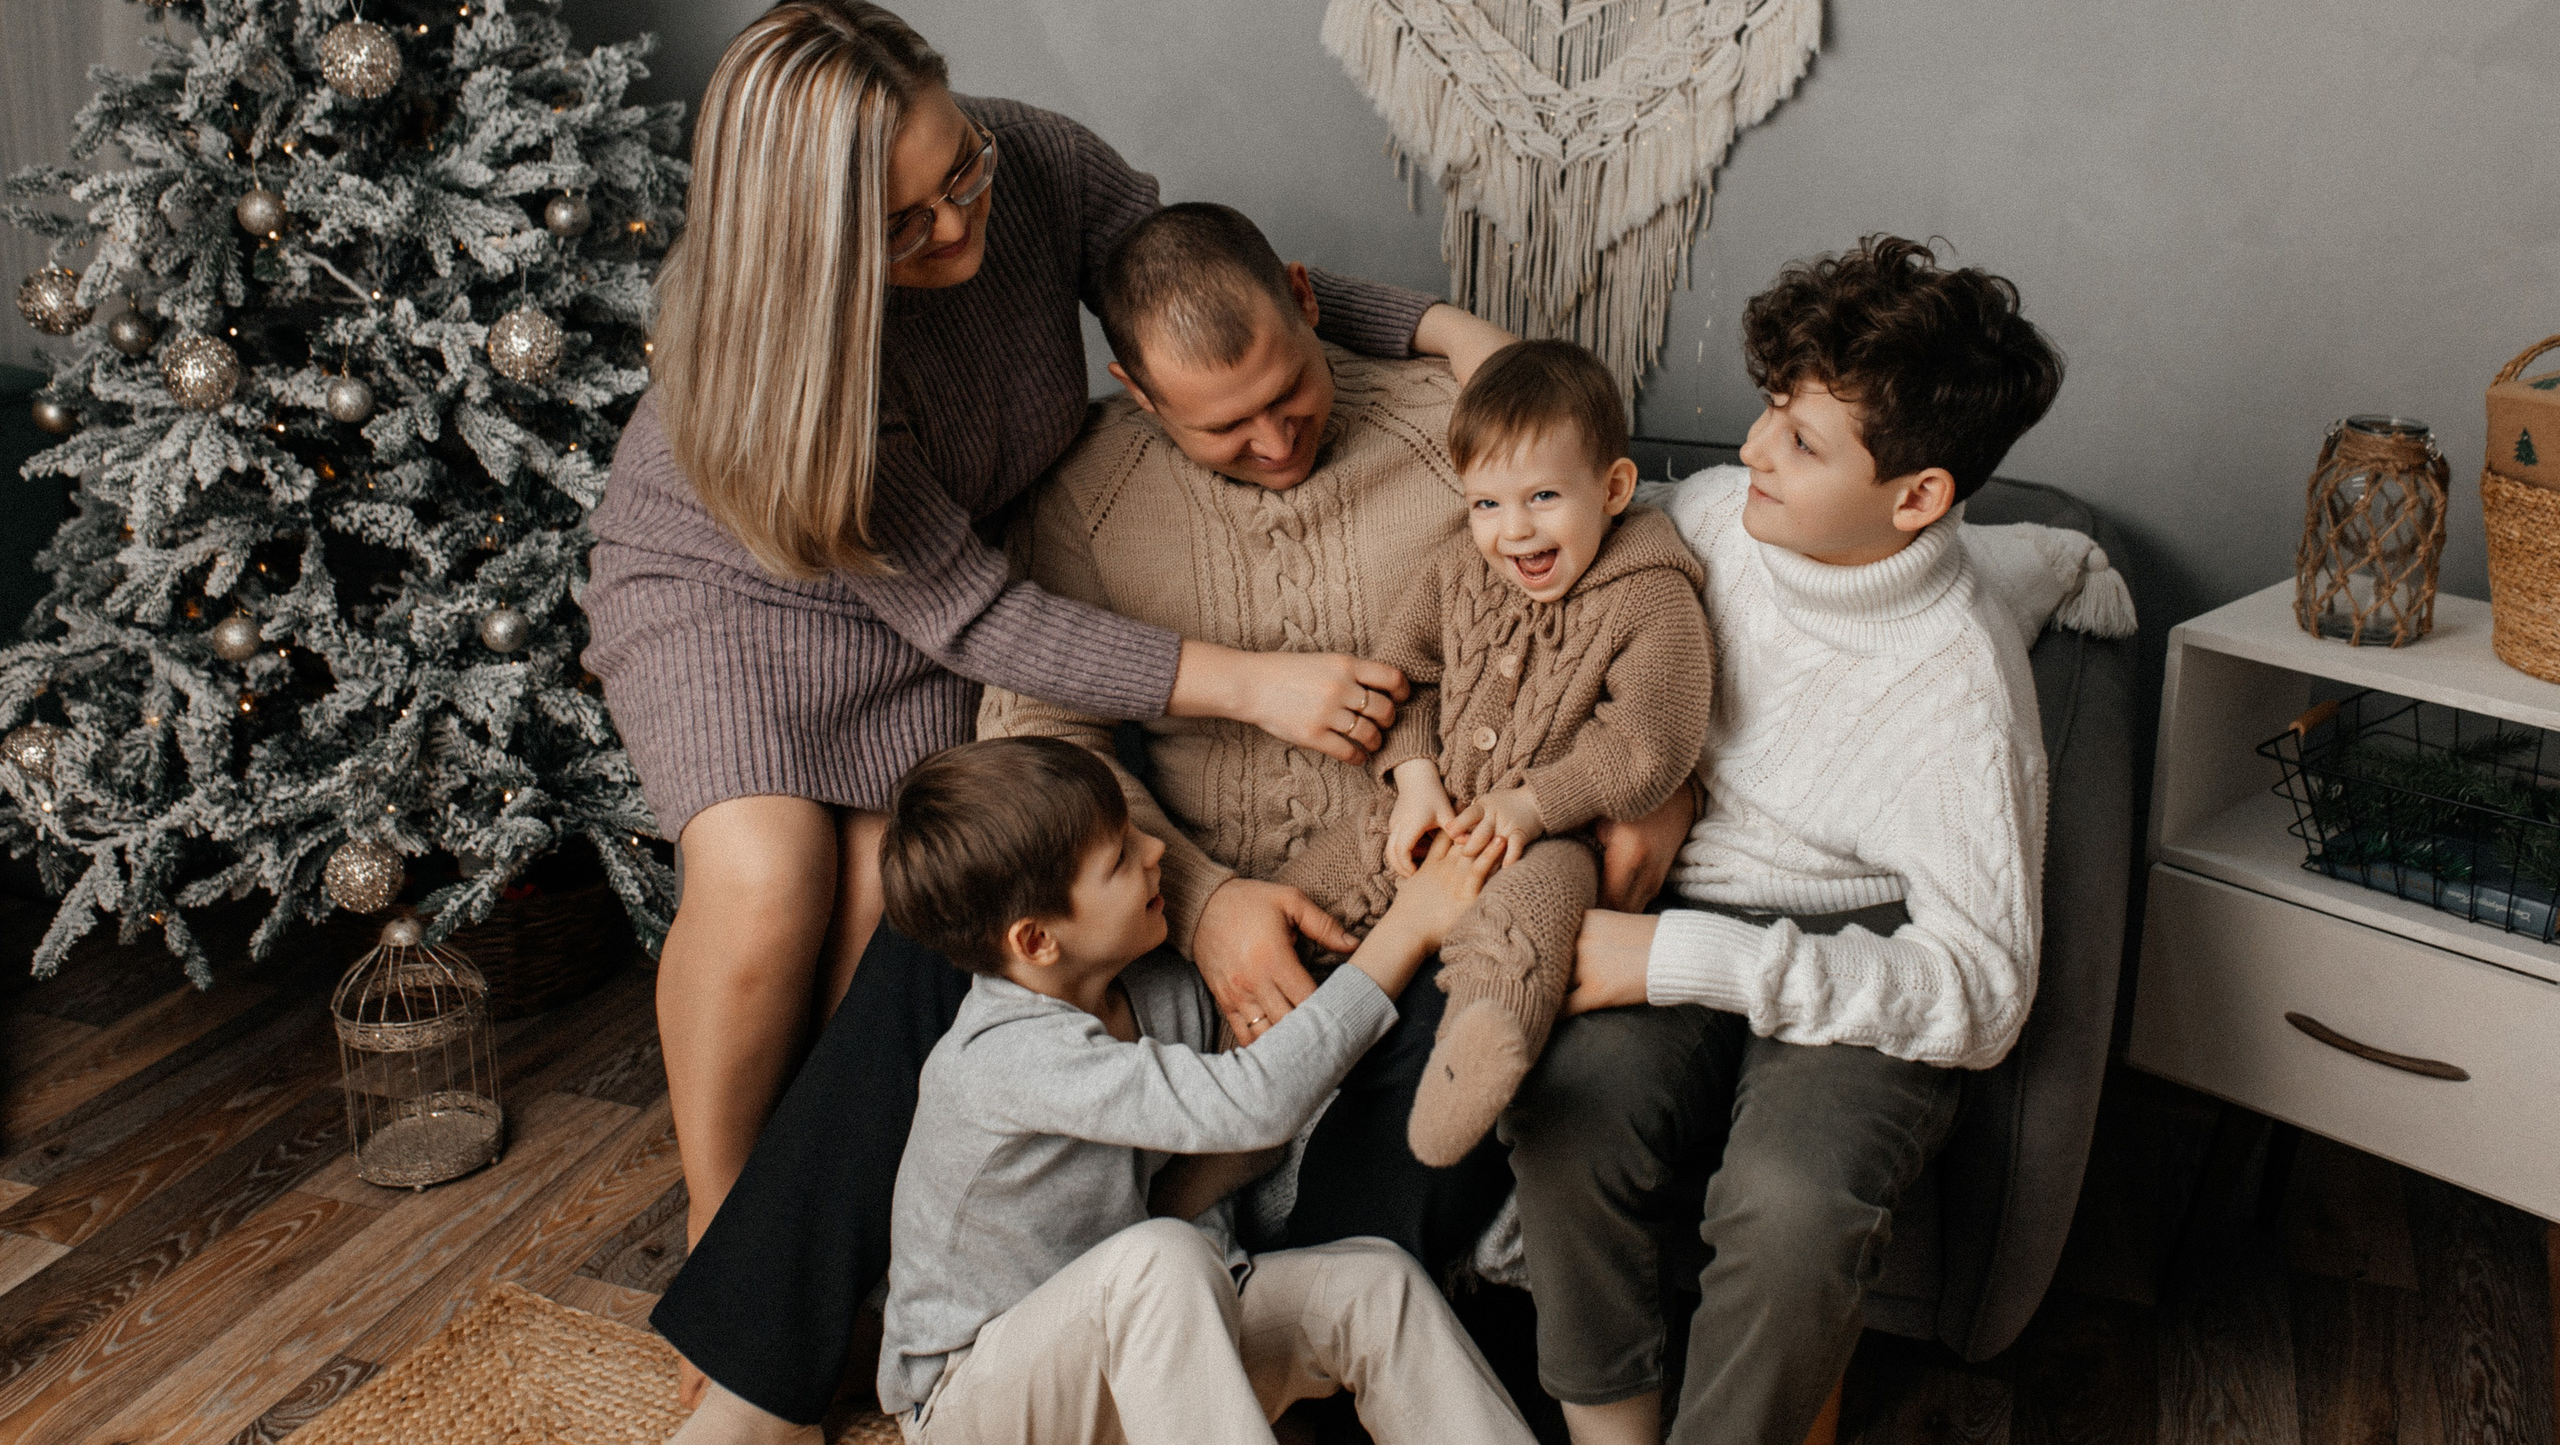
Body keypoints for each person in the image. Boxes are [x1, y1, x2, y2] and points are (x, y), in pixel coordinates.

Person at [647, 202, 1694, 1427]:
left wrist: (1660, 790)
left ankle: (1286, 1380)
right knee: (931, 939)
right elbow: (1042, 738)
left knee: (1431, 1072)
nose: (1273, 438)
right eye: (1224, 426)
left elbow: (1613, 537)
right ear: (1138, 396)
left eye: (1289, 393)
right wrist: (1202, 905)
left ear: (1309, 306)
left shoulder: (1441, 434)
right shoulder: (1088, 497)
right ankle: (753, 1379)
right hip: (1165, 895)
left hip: (1404, 888)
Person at [580, 0, 1513, 1266]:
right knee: (768, 879)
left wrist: (1440, 328)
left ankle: (845, 1221)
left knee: (885, 896)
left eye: (958, 165)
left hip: (950, 577)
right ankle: (729, 1234)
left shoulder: (1039, 164)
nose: (959, 220)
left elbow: (1200, 286)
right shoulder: (785, 355)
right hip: (740, 587)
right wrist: (1248, 685)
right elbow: (975, 620)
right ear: (817, 243)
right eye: (903, 223)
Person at [1502, 235, 2066, 1445]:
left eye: (1801, 443)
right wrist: (1654, 787)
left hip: (1871, 947)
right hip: (1684, 892)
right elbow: (1584, 560)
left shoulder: (1966, 695)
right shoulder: (1709, 518)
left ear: (1916, 499)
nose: (1750, 448)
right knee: (1565, 1116)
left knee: (1793, 1202)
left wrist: (1679, 963)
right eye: (1770, 411)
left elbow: (1983, 988)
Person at [674, 736, 1536, 1445]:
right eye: (1122, 857)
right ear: (1037, 939)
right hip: (981, 1398)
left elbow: (1227, 1141)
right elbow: (1253, 1100)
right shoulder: (1001, 1055)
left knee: (1372, 1286)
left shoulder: (1159, 991)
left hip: (1142, 1350)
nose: (1159, 852)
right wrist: (1413, 924)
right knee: (1158, 1261)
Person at [1268, 339, 1711, 1165]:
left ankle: (1474, 1055)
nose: (1514, 532)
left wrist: (1535, 804)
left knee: (1526, 936)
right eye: (1487, 504)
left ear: (1613, 488)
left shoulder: (1652, 593)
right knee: (1305, 889)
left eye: (1543, 497)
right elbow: (1405, 680)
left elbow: (1651, 741)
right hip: (1429, 812)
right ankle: (1249, 1057)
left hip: (1552, 840)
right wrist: (1413, 777)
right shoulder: (1453, 572)